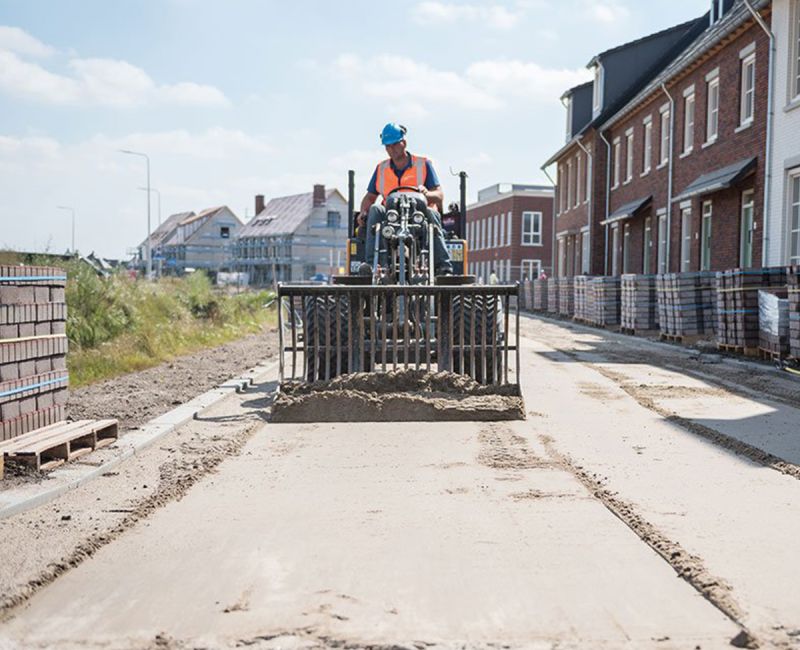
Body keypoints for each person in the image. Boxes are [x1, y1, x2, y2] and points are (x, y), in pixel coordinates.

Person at [357, 123, 453, 275]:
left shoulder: (423, 164)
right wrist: (363, 212)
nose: (391, 149)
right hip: (390, 216)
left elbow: (439, 195)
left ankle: (443, 267)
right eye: (387, 146)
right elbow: (369, 198)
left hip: (418, 217)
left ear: (404, 143)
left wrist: (426, 194)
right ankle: (373, 265)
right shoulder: (381, 169)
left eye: (395, 144)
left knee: (433, 214)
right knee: (375, 210)